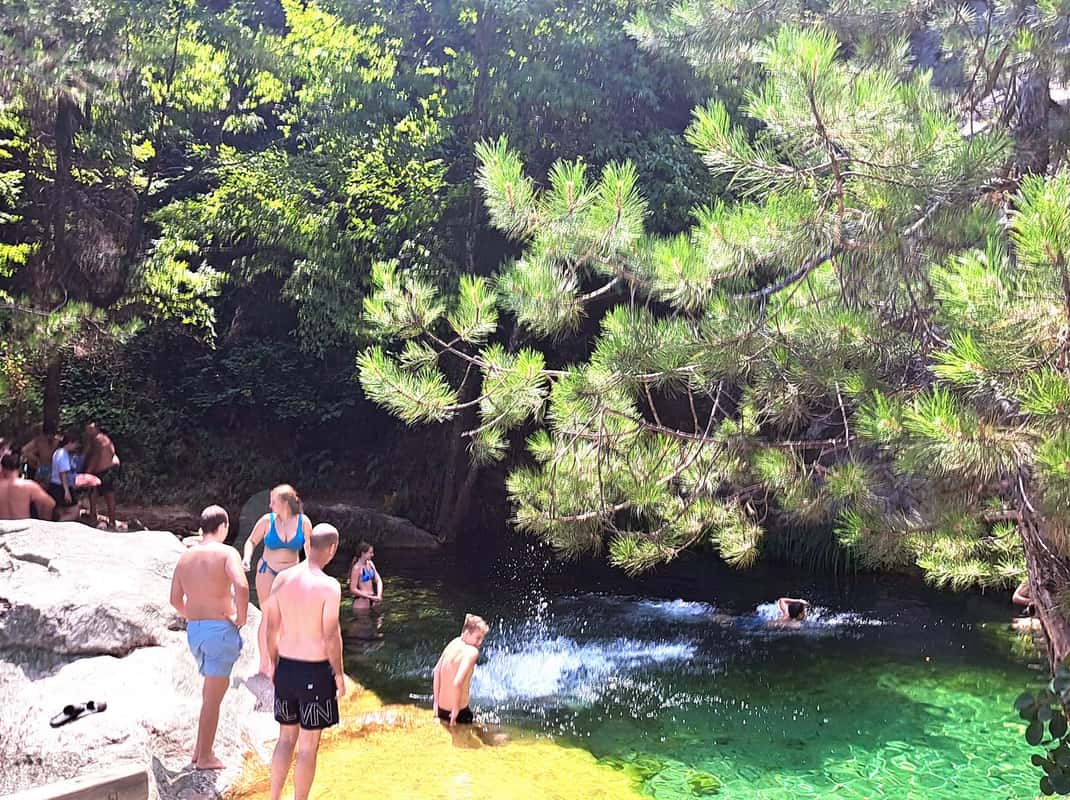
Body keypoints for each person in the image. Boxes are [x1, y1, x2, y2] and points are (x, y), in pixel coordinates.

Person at [262, 523, 343, 800]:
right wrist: (340, 675)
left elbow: (271, 627)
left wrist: (273, 664)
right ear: (331, 549)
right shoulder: (329, 586)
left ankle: (273, 797)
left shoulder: (282, 579)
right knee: (308, 747)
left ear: (309, 545)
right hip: (315, 672)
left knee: (285, 739)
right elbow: (331, 634)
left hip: (286, 667)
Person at [169, 506, 249, 770]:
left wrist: (192, 615)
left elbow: (174, 600)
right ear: (223, 526)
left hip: (196, 632)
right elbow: (241, 585)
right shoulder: (227, 553)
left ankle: (198, 750)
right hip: (218, 631)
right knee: (214, 698)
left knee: (209, 693)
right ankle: (205, 757)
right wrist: (240, 618)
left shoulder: (185, 557)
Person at [241, 484, 314, 675]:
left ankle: (283, 658)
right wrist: (246, 558)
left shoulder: (303, 522)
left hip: (292, 576)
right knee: (268, 616)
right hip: (268, 572)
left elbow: (308, 547)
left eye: (273, 501)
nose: (270, 504)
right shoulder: (267, 520)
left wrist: (313, 569)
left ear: (284, 503)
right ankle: (264, 663)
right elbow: (251, 541)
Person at [432, 614, 490, 726]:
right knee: (494, 732)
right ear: (467, 634)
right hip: (459, 714)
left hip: (441, 710)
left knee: (479, 716)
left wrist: (435, 703)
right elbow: (457, 683)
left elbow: (436, 671)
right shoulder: (472, 652)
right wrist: (455, 710)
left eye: (482, 638)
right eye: (478, 638)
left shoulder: (454, 643)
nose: (480, 642)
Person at [84, 421, 120, 528]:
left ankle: (94, 519)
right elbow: (113, 453)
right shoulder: (105, 438)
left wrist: (87, 473)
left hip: (101, 471)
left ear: (96, 429)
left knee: (99, 495)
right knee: (105, 495)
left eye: (90, 429)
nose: (88, 431)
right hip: (107, 469)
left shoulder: (98, 439)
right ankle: (110, 521)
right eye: (87, 429)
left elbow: (96, 457)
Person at [0, 452, 55, 520]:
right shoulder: (28, 486)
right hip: (22, 526)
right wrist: (44, 520)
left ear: (2, 468)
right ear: (20, 467)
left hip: (2, 526)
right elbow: (50, 503)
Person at [48, 431, 83, 522]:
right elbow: (62, 473)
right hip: (61, 486)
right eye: (75, 444)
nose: (76, 446)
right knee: (74, 512)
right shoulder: (63, 454)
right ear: (70, 442)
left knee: (61, 511)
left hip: (55, 485)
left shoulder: (57, 452)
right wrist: (66, 491)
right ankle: (58, 526)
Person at [348, 542, 383, 611]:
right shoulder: (357, 568)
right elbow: (353, 589)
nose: (372, 555)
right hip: (362, 602)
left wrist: (379, 595)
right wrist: (369, 597)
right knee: (363, 620)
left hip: (373, 599)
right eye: (370, 553)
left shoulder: (370, 564)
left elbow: (378, 580)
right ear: (363, 553)